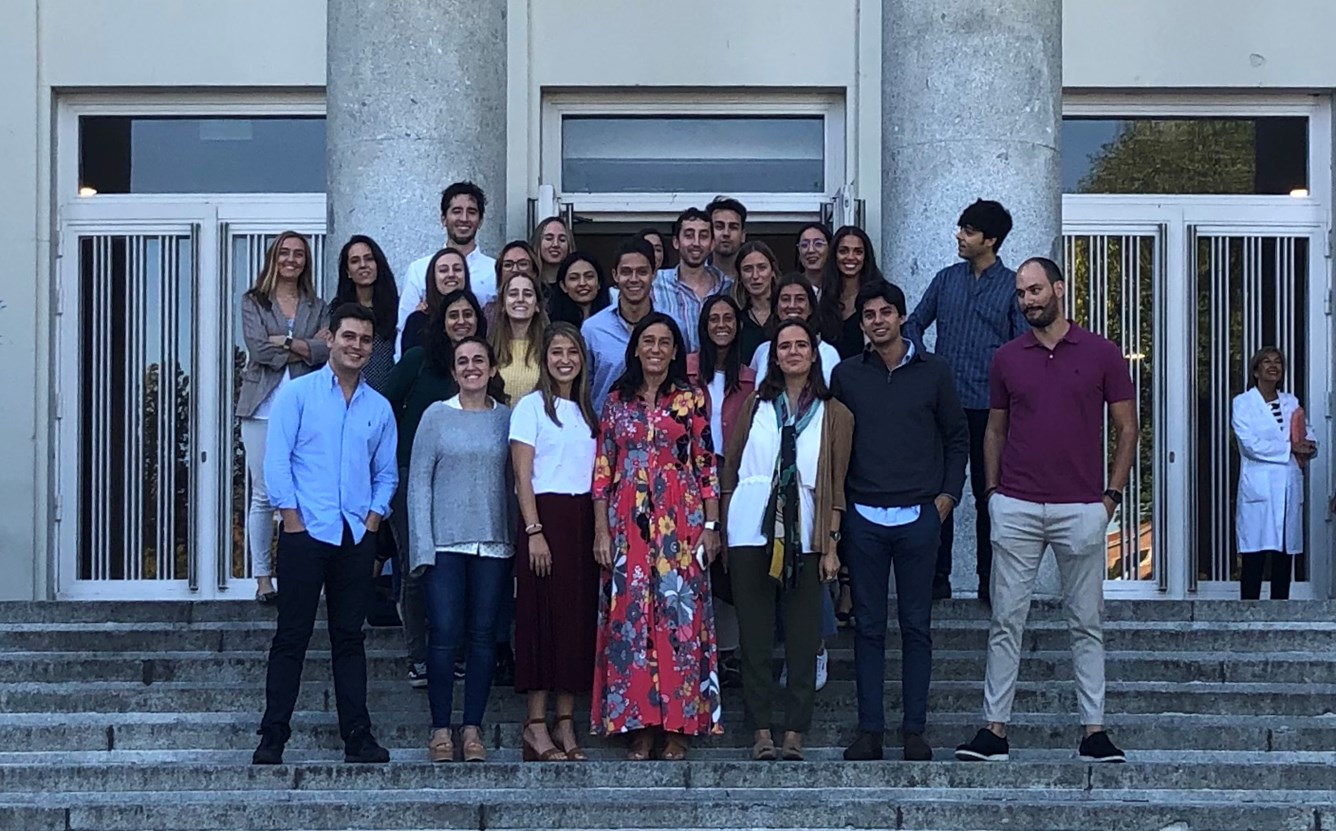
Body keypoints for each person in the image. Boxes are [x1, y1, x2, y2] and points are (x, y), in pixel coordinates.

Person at [954, 257, 1138, 765]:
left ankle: (1094, 732)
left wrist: (1111, 498)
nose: (1028, 300)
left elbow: (1128, 427)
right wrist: (991, 493)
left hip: (1081, 507)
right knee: (1005, 622)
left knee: (1086, 622)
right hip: (1016, 504)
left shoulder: (1102, 353)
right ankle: (994, 731)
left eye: (1035, 290)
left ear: (1059, 289)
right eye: (1021, 294)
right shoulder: (1007, 358)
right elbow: (993, 429)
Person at [252, 303, 397, 766]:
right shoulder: (298, 395)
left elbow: (386, 473)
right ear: (330, 338)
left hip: (355, 536)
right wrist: (291, 521)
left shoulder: (379, 407)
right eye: (348, 336)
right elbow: (276, 462)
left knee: (349, 639)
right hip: (305, 532)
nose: (356, 346)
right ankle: (273, 736)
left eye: (364, 340)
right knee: (291, 637)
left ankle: (358, 736)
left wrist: (373, 521)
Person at [830, 282, 968, 762]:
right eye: (869, 315)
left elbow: (956, 438)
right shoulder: (846, 376)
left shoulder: (935, 373)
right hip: (864, 516)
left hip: (919, 516)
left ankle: (914, 731)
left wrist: (947, 497)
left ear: (903, 317)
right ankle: (870, 731)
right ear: (862, 323)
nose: (878, 321)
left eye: (886, 312)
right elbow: (835, 444)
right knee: (867, 627)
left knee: (916, 625)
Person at [591, 313, 722, 761]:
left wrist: (711, 526)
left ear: (675, 350)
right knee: (631, 622)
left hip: (679, 524)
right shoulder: (616, 400)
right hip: (627, 524)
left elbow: (706, 466)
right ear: (636, 348)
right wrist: (601, 531)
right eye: (648, 340)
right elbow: (603, 471)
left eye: (665, 342)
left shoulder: (691, 399)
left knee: (678, 620)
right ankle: (639, 724)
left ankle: (679, 724)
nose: (656, 349)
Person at [721, 318, 852, 762]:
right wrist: (720, 525)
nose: (793, 352)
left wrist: (832, 545)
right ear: (773, 356)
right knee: (755, 636)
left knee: (802, 635)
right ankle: (760, 730)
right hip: (748, 526)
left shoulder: (836, 413)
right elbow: (731, 469)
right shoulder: (756, 405)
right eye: (784, 346)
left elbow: (836, 485)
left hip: (807, 528)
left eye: (801, 345)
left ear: (814, 355)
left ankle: (796, 730)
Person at [905, 199, 1027, 604]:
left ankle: (989, 580)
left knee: (989, 494)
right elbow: (914, 322)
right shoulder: (945, 279)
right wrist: (924, 361)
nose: (959, 235)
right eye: (961, 228)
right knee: (940, 493)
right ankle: (936, 579)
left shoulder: (1012, 286)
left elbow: (1023, 346)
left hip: (992, 409)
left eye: (969, 230)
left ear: (990, 240)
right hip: (943, 405)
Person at [408, 336, 514, 763]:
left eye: (479, 361)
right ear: (453, 372)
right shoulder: (435, 416)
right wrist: (421, 548)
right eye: (462, 361)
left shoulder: (507, 419)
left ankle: (472, 729)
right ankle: (439, 730)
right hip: (445, 543)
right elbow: (418, 483)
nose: (471, 367)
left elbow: (516, 480)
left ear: (491, 369)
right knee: (445, 635)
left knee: (484, 638)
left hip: (493, 542)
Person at [384, 289, 489, 689]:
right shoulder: (417, 361)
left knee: (459, 564)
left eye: (468, 315)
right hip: (412, 473)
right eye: (452, 315)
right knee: (417, 564)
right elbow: (383, 409)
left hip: (464, 481)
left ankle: (456, 652)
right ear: (440, 323)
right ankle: (418, 656)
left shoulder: (479, 365)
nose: (461, 322)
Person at [510, 323, 601, 762]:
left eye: (573, 352)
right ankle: (535, 724)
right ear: (544, 358)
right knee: (540, 620)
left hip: (581, 520)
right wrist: (534, 530)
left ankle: (566, 722)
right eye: (557, 352)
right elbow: (522, 475)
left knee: (574, 623)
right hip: (544, 520)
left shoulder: (588, 411)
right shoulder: (530, 408)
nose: (565, 360)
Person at [236, 231, 330, 605]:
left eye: (299, 254)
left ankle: (306, 576)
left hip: (306, 410)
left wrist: (287, 342)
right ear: (274, 257)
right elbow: (258, 349)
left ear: (306, 261)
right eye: (285, 253)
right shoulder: (253, 301)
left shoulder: (316, 304)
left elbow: (327, 352)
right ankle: (263, 579)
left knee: (307, 494)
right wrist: (306, 347)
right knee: (264, 495)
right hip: (261, 409)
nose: (292, 259)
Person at [686, 295, 756, 690]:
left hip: (735, 478)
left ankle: (728, 652)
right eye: (713, 318)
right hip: (690, 479)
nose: (721, 324)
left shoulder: (749, 378)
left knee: (730, 562)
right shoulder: (687, 370)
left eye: (728, 317)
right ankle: (697, 648)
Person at [1232, 347, 1316, 600]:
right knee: (1255, 553)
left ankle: (1282, 609)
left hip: (1288, 483)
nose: (1273, 366)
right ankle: (1248, 611)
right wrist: (1290, 448)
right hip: (1259, 485)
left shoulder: (1291, 402)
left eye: (1278, 362)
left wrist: (1310, 445)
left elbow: (1306, 432)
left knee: (1283, 552)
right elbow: (1250, 445)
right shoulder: (1243, 403)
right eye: (1266, 362)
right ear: (1256, 370)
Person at [396, 181, 497, 351]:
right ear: (443, 218)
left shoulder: (495, 271)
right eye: (456, 211)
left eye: (471, 212)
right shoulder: (419, 269)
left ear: (480, 221)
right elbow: (403, 327)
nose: (464, 219)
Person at [582, 238, 657, 413]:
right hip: (604, 432)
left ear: (654, 274)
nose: (634, 279)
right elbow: (583, 390)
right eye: (626, 272)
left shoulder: (673, 326)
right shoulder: (592, 329)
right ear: (615, 275)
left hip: (659, 434)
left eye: (642, 272)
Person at [653, 207, 731, 353]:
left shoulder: (727, 287)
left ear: (712, 244)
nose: (696, 243)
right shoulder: (654, 285)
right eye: (689, 236)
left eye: (703, 236)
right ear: (676, 242)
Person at [332, 235, 398, 393]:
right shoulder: (335, 311)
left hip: (387, 397)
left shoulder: (398, 308)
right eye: (355, 261)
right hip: (345, 395)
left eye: (368, 259)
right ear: (348, 271)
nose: (363, 265)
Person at [749, 274, 842, 384]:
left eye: (800, 299)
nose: (792, 305)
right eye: (785, 299)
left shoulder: (829, 353)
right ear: (776, 307)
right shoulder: (762, 351)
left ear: (811, 307)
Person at [817, 225, 884, 360]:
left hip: (866, 376)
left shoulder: (881, 296)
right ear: (834, 255)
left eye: (858, 252)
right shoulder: (821, 297)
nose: (850, 257)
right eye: (843, 251)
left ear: (866, 257)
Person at [400, 248, 469, 355]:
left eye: (457, 269)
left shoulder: (475, 318)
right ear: (433, 277)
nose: (451, 274)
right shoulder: (417, 322)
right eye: (443, 270)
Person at [492, 269, 547, 401]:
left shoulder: (549, 348)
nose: (520, 299)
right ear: (503, 304)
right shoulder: (490, 349)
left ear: (537, 305)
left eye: (527, 294)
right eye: (513, 294)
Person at [732, 241, 778, 364]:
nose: (755, 276)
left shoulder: (786, 313)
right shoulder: (736, 321)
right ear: (740, 277)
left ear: (772, 271)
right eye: (747, 269)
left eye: (762, 268)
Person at [547, 251, 611, 326]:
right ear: (563, 286)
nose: (582, 283)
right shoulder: (551, 323)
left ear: (599, 283)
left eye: (589, 276)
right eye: (574, 278)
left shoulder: (615, 318)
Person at [706, 196, 748, 280]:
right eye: (719, 226)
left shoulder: (751, 279)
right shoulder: (694, 277)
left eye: (733, 227)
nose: (726, 233)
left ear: (743, 235)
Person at [531, 216, 575, 290]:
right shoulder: (528, 284)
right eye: (549, 238)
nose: (555, 244)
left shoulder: (576, 286)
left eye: (562, 239)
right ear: (538, 242)